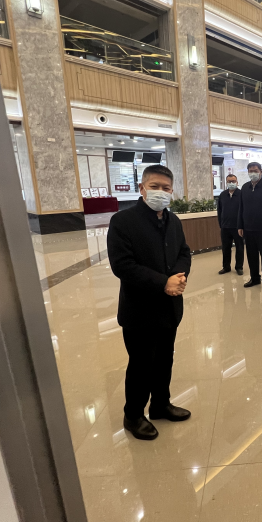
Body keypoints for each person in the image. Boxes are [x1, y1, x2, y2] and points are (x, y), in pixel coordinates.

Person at [107, 164, 192, 441]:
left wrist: (179, 276)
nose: (161, 192)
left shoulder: (173, 221)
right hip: (140, 310)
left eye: (166, 188)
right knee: (142, 364)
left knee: (165, 359)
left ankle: (160, 405)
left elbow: (184, 252)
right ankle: (133, 415)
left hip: (170, 308)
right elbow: (122, 265)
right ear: (142, 188)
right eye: (154, 187)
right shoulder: (123, 221)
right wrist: (163, 283)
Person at [238, 162, 262, 292]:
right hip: (248, 229)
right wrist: (240, 225)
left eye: (255, 170)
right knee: (251, 255)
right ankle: (254, 278)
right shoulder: (245, 187)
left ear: (260, 171)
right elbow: (241, 208)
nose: (253, 173)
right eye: (250, 171)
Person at [217, 173, 244, 276]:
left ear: (237, 182)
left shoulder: (241, 194)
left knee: (239, 248)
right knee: (226, 248)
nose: (231, 183)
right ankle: (226, 267)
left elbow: (244, 211)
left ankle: (239, 267)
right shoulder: (223, 195)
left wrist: (242, 225)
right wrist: (221, 224)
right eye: (229, 181)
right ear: (226, 182)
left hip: (238, 227)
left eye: (233, 181)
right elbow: (219, 210)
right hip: (225, 227)